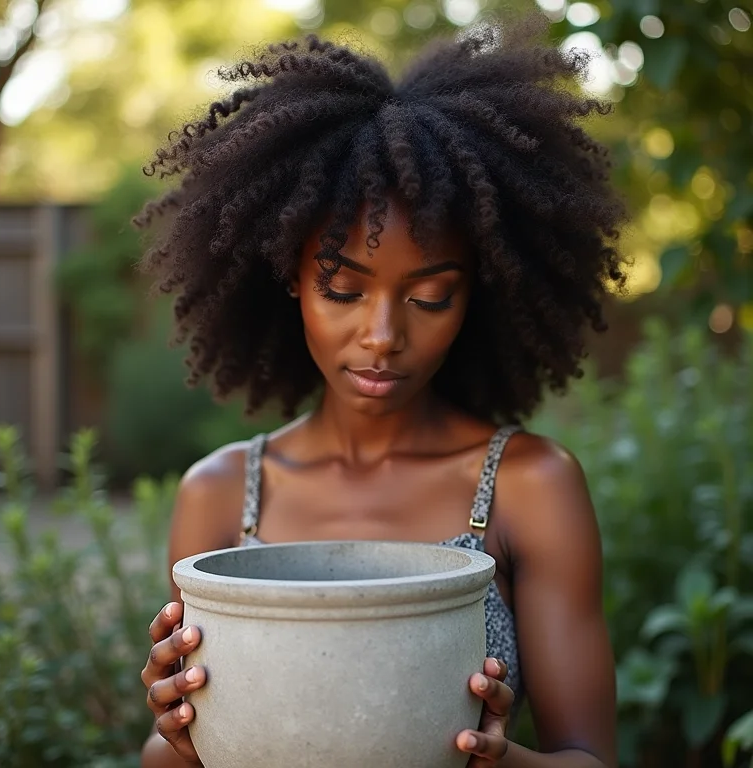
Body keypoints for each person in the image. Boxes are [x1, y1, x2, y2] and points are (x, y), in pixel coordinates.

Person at [137, 14, 625, 768]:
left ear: (480, 296)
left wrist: (502, 760)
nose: (383, 335)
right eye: (341, 290)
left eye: (430, 297)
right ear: (290, 281)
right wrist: (175, 736)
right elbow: (173, 761)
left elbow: (589, 759)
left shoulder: (531, 487)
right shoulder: (221, 493)